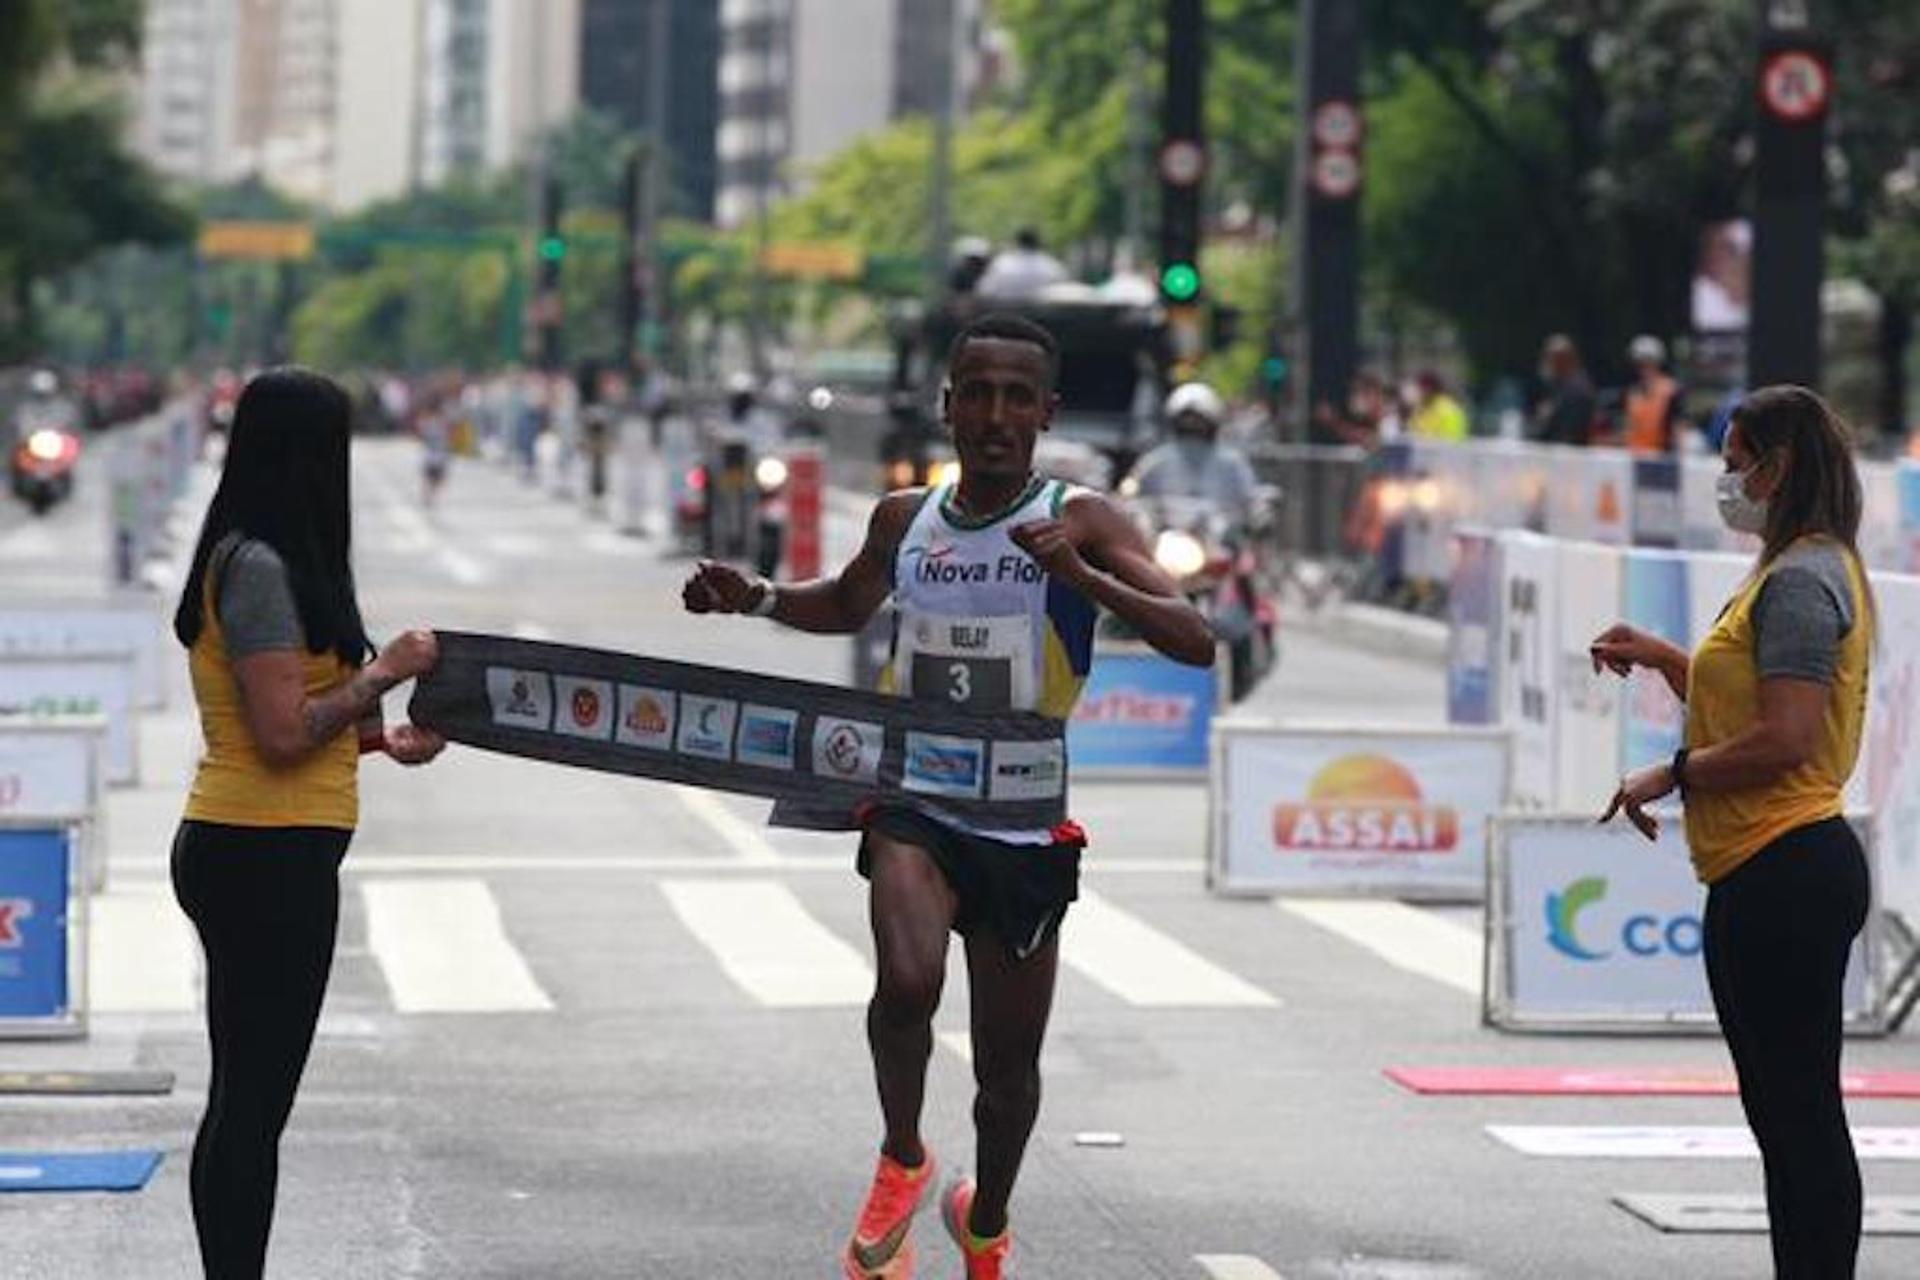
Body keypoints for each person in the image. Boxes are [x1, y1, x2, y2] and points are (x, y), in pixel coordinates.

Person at [682, 313, 1213, 1279]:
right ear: (948, 405)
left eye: (1017, 397)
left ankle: (987, 1212)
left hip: (1021, 821)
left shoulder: (1082, 517)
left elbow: (1195, 638)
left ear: (1046, 413)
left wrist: (1082, 576)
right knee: (909, 984)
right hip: (913, 799)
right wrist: (754, 596)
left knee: (1006, 1082)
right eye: (977, 392)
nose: (995, 415)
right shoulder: (905, 519)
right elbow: (845, 603)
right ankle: (901, 1157)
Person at [169, 368, 446, 1280]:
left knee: (247, 1098)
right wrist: (387, 670)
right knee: (253, 1104)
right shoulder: (255, 568)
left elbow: (313, 726)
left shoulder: (281, 561)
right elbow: (284, 735)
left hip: (267, 847)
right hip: (259, 852)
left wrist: (384, 741)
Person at [1592, 384, 1874, 1279]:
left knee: (1799, 1117)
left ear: (1777, 467)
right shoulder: (1801, 565)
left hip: (1784, 866)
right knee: (1782, 1114)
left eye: (1734, 466)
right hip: (1770, 864)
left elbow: (1785, 739)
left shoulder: (1798, 580)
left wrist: (1672, 775)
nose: (1728, 484)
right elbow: (1752, 704)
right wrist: (1674, 663)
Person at [1130, 381, 1263, 529]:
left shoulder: (1232, 464)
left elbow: (1251, 497)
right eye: (1185, 423)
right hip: (1167, 537)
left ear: (1212, 424)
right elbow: (1133, 495)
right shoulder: (1154, 462)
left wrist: (1258, 513)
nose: (1192, 428)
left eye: (1199, 424)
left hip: (1219, 542)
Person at [1619, 335, 1685, 455]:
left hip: (1662, 458)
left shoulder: (1671, 391)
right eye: (1639, 364)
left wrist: (1678, 454)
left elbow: (1678, 428)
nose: (1643, 369)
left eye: (1647, 363)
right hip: (1635, 457)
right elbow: (1628, 426)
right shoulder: (1632, 392)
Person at [1533, 334, 1597, 446]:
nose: (1547, 363)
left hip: (1569, 456)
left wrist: (1548, 415)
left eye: (1550, 358)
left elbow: (1570, 430)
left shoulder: (1579, 389)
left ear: (1562, 359)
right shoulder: (1558, 385)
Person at [975, 228, 1070, 299]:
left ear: (1017, 242)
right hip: (1046, 320)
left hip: (1006, 318)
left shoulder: (1002, 263)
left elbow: (984, 291)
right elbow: (1064, 293)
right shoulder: (1052, 266)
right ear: (1039, 243)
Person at [1408, 370, 1469, 442]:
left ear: (1429, 388)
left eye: (1420, 387)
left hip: (1442, 451)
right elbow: (1413, 432)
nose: (1416, 392)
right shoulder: (1420, 408)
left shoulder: (1448, 410)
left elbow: (1451, 441)